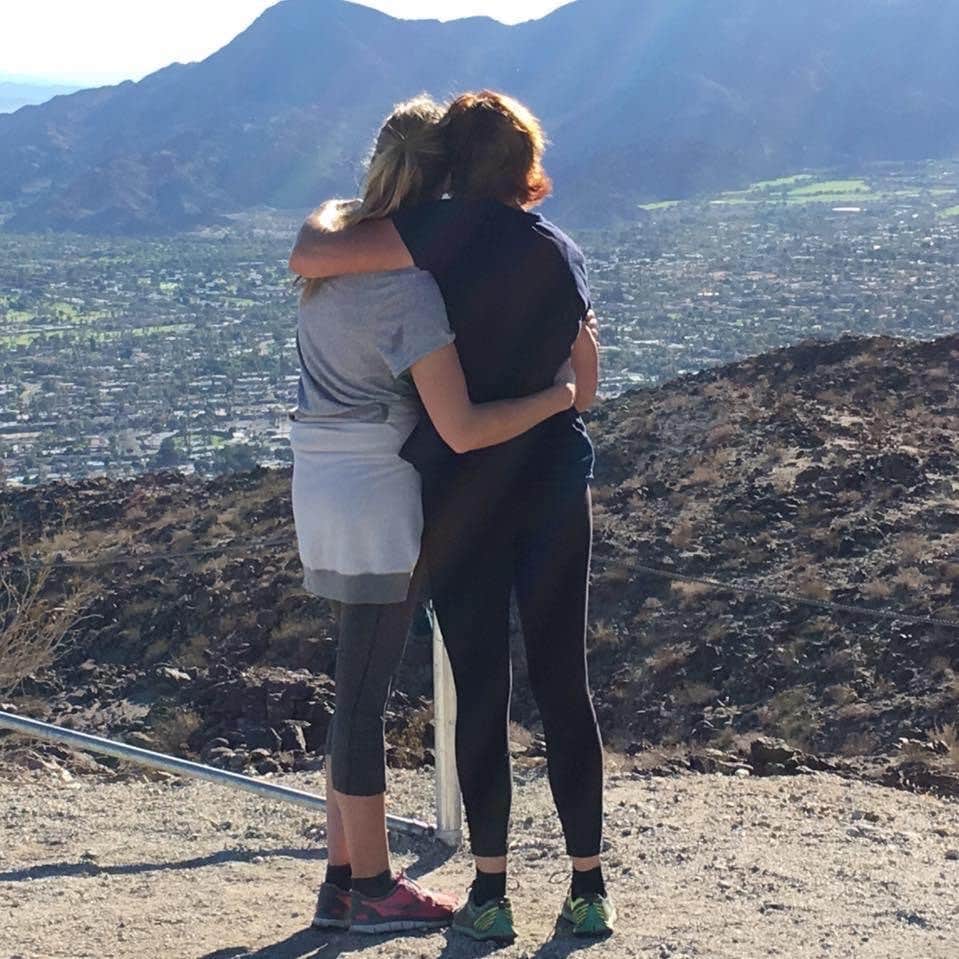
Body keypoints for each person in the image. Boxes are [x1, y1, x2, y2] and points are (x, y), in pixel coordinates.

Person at [290, 90, 614, 940]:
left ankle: (490, 889)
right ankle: (587, 882)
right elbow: (586, 379)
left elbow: (314, 250)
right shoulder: (561, 251)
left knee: (478, 686)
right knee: (562, 681)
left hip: (459, 494)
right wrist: (556, 393)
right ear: (524, 165)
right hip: (551, 481)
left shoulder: (432, 237)